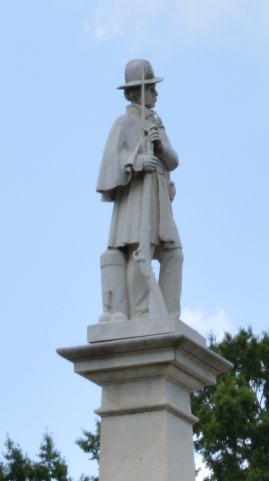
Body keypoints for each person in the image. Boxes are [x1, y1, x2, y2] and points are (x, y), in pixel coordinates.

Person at [96, 59, 183, 322]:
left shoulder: (156, 123)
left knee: (174, 254)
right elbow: (109, 167)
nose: (156, 94)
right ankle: (141, 313)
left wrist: (160, 148)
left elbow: (173, 161)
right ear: (137, 91)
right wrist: (136, 162)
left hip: (158, 197)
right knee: (139, 252)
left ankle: (169, 315)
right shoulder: (123, 123)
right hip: (135, 199)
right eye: (151, 89)